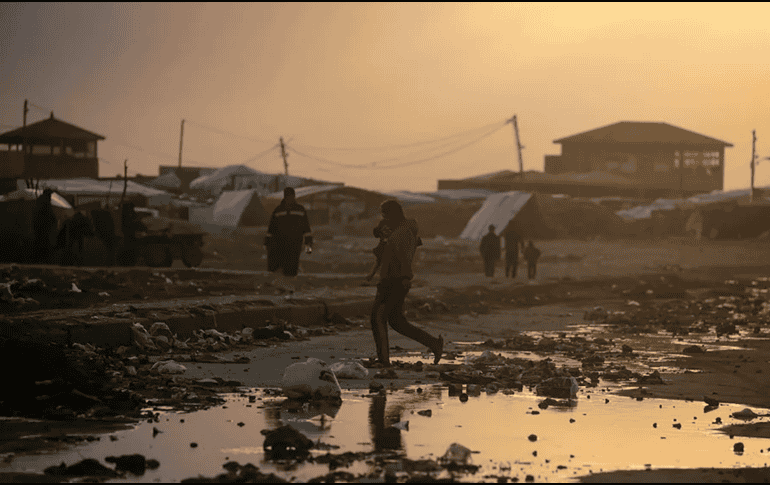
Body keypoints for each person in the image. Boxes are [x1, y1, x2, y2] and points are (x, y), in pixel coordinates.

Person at [370, 199, 442, 367]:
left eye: (385, 214)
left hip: (394, 280)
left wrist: (405, 277)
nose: (383, 218)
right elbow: (384, 253)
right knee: (396, 321)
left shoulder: (402, 233)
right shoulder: (397, 231)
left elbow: (403, 257)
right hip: (391, 278)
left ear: (392, 214)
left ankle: (383, 361)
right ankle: (434, 344)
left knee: (378, 318)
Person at [264, 187, 313, 293]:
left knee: (292, 267)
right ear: (285, 196)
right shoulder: (278, 210)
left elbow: (306, 227)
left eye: (291, 196)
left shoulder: (300, 209)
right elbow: (271, 228)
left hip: (295, 244)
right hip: (280, 244)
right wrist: (267, 242)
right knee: (280, 266)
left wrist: (308, 243)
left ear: (294, 196)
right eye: (288, 196)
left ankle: (290, 289)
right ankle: (281, 288)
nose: (290, 198)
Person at [32, 188, 57, 264]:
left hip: (41, 228)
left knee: (41, 243)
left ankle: (40, 259)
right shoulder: (45, 203)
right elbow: (49, 216)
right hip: (44, 228)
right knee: (43, 244)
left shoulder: (41, 202)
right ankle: (42, 260)